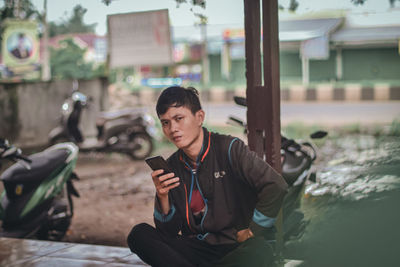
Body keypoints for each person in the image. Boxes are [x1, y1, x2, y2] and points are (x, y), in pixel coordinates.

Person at [127, 86, 288, 267]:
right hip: (197, 249)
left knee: (259, 250)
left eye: (179, 119)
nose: (173, 128)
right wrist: (163, 196)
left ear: (199, 117)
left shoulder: (229, 148)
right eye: (165, 123)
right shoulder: (172, 166)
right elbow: (168, 233)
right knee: (139, 234)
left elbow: (276, 186)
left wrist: (253, 229)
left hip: (235, 246)